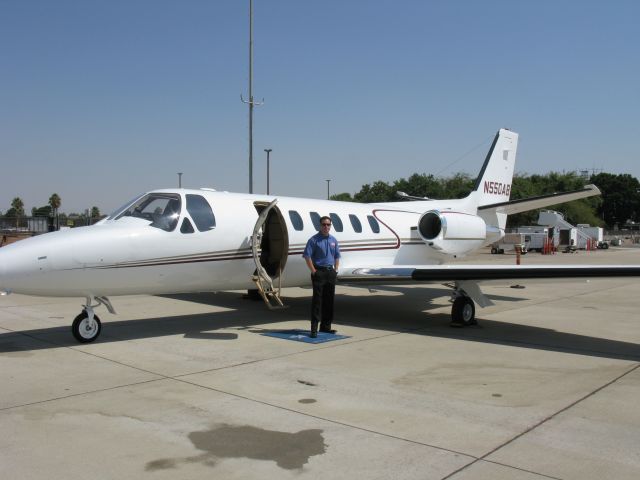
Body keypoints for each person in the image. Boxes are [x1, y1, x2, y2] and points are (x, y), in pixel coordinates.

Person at [303, 216, 341, 338]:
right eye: (324, 224)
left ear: (330, 226)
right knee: (317, 302)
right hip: (319, 272)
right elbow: (307, 256)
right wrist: (314, 271)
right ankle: (314, 329)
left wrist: (336, 269)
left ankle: (326, 327)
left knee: (329, 301)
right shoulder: (313, 240)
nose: (326, 227)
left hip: (330, 273)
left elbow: (337, 256)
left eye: (328, 225)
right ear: (320, 226)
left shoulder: (333, 240)